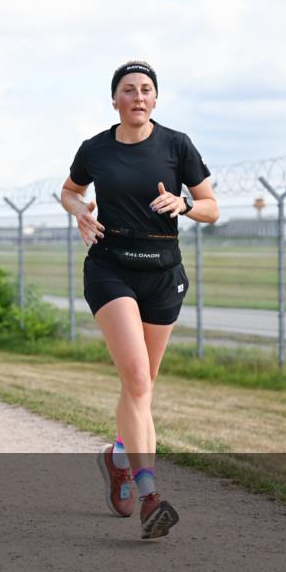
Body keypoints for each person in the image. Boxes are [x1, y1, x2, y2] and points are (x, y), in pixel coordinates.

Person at [60, 60, 219, 540]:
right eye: (128, 90)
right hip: (111, 268)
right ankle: (150, 494)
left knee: (143, 386)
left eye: (146, 89)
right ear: (115, 100)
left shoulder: (177, 145)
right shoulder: (95, 148)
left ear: (155, 98)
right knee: (135, 377)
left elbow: (211, 207)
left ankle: (118, 458)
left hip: (163, 273)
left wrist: (185, 204)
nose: (138, 96)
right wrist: (80, 211)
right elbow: (69, 191)